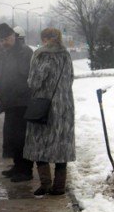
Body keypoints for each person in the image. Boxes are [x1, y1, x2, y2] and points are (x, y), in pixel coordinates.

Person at [23, 28, 76, 196]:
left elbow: (35, 81)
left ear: (44, 39)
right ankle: (59, 186)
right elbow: (71, 78)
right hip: (65, 107)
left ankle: (45, 183)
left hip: (44, 106)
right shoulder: (66, 55)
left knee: (39, 145)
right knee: (61, 146)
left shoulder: (41, 54)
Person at [0, 23, 34, 182]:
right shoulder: (1, 52)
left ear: (13, 36)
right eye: (1, 41)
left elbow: (26, 77)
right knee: (12, 136)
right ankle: (17, 165)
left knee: (22, 136)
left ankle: (26, 169)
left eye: (7, 39)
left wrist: (14, 93)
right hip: (8, 101)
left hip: (22, 101)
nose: (4, 43)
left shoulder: (25, 52)